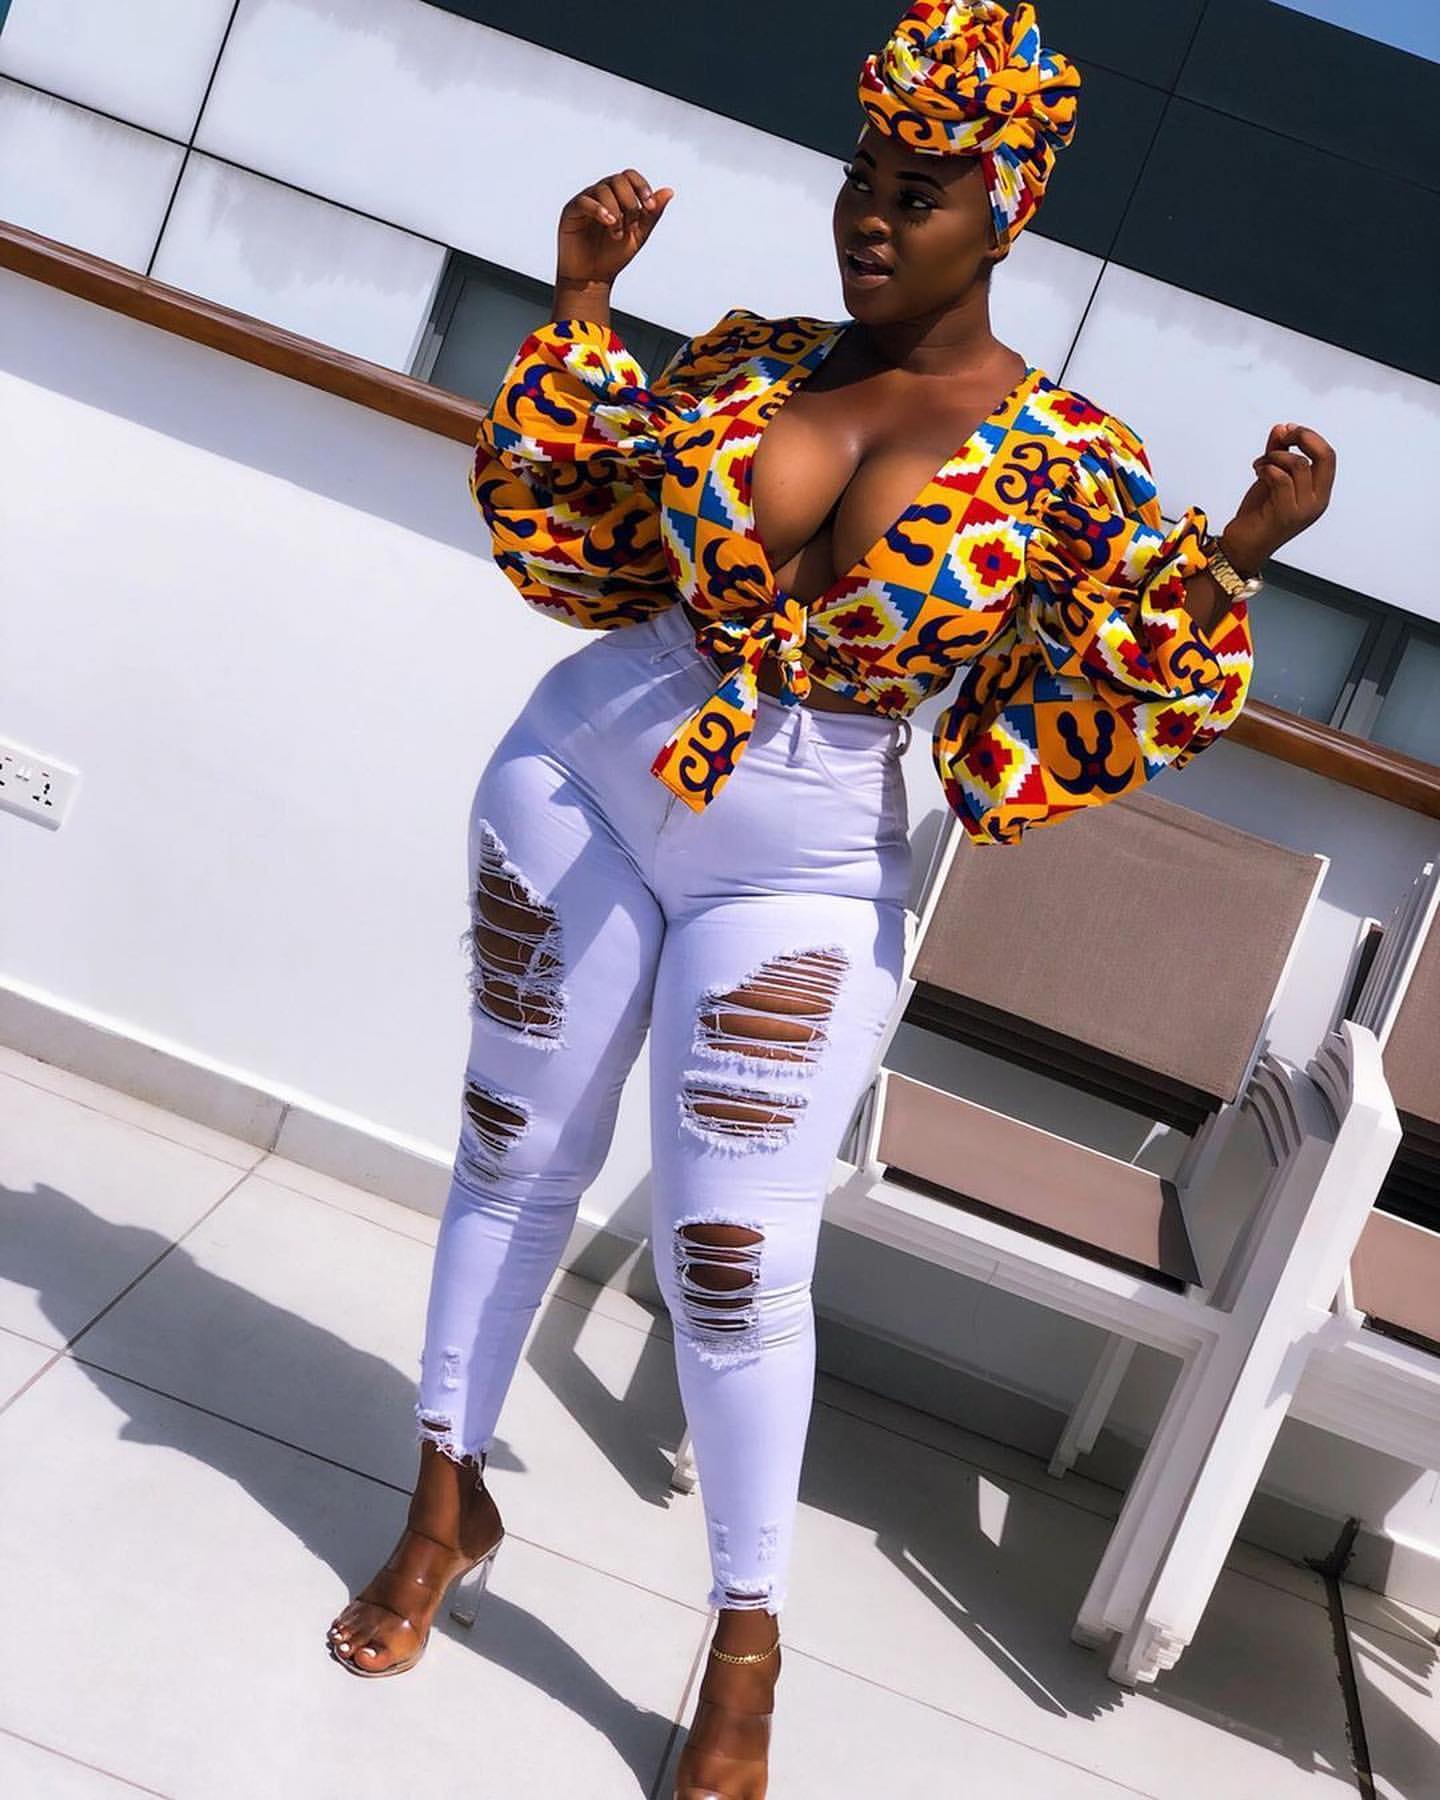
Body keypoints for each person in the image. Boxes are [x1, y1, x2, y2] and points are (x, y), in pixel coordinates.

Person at [326, 3, 1334, 1793]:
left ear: (1004, 212)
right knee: (510, 1150)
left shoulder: (1071, 457)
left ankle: (747, 1641)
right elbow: (584, 531)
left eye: (919, 190)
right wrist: (581, 308)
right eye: (862, 175)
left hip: (800, 856)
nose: (871, 215)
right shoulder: (749, 359)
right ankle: (440, 1503)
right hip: (582, 770)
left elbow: (1094, 698)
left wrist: (1234, 560)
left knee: (734, 1256)